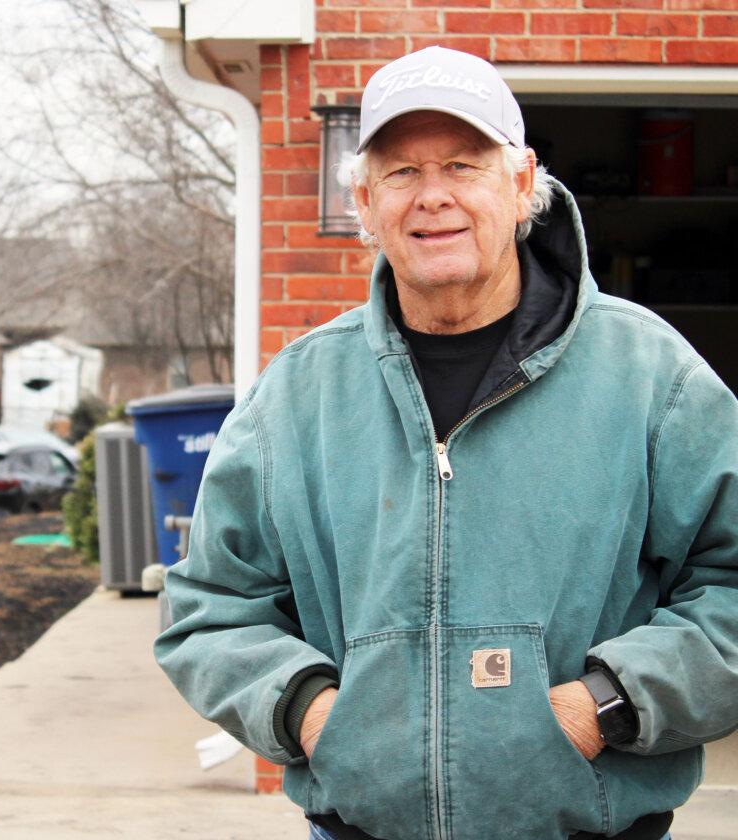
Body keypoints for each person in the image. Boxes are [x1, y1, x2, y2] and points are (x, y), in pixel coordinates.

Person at [153, 45, 738, 840]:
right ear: (365, 198)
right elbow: (208, 608)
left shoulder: (651, 376)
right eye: (401, 173)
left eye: (463, 165)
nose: (433, 197)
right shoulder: (297, 396)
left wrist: (602, 704)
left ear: (523, 181)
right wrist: (317, 715)